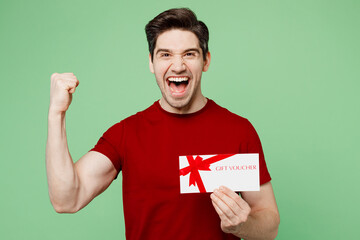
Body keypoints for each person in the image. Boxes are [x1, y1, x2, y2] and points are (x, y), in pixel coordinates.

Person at [46, 8, 280, 240]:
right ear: (151, 62)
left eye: (189, 54)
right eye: (165, 55)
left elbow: (269, 225)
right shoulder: (126, 134)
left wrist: (243, 225)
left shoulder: (238, 131)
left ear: (206, 60)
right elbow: (67, 199)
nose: (177, 66)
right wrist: (57, 113)